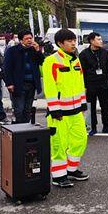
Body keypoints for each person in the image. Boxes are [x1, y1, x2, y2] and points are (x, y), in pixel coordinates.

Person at [42, 29, 88, 188]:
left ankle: (71, 169)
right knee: (59, 145)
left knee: (80, 139)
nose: (73, 43)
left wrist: (83, 103)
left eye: (74, 40)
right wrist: (55, 109)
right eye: (69, 41)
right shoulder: (51, 60)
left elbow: (80, 83)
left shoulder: (75, 60)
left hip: (75, 111)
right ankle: (58, 176)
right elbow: (49, 86)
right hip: (59, 113)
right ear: (60, 43)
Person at [3, 30, 44, 123]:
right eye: (27, 39)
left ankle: (26, 127)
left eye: (31, 38)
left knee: (28, 109)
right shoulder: (12, 51)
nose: (29, 40)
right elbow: (7, 68)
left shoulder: (34, 50)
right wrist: (9, 83)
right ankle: (19, 128)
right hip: (18, 84)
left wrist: (38, 51)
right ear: (21, 40)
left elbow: (42, 61)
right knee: (19, 109)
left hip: (31, 84)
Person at [80, 32, 108, 136]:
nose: (101, 41)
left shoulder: (104, 52)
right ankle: (93, 127)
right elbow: (82, 71)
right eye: (98, 39)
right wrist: (85, 85)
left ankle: (106, 125)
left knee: (106, 106)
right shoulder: (84, 54)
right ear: (91, 41)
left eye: (101, 39)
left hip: (104, 84)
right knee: (91, 107)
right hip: (91, 84)